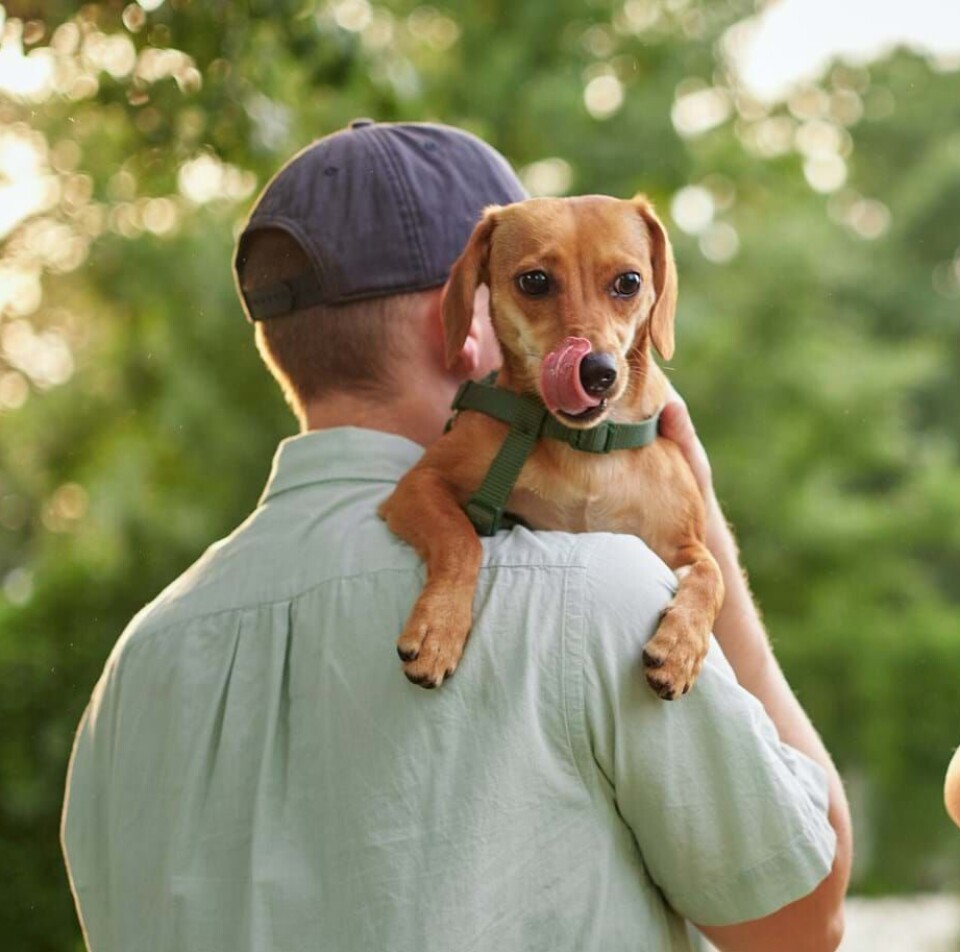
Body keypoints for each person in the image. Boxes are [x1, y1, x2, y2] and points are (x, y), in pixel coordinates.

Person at [61, 120, 851, 952]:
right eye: (539, 285)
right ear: (471, 326)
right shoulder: (599, 597)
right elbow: (805, 920)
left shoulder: (136, 661)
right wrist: (706, 535)